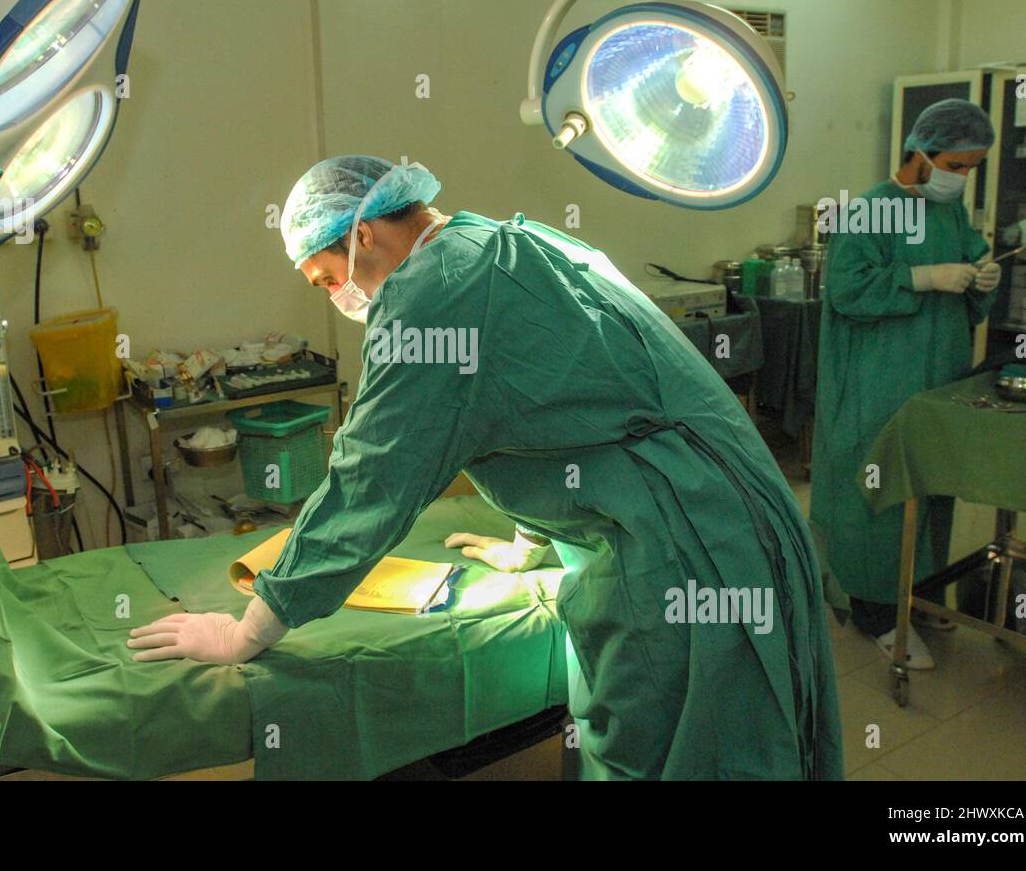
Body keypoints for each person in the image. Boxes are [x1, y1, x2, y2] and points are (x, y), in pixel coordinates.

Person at [129, 155, 844, 780]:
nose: (338, 298)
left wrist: (248, 629)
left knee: (671, 754)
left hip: (685, 550)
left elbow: (369, 479)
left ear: (365, 234)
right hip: (736, 509)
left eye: (326, 279)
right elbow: (567, 403)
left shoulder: (431, 296)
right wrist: (530, 537)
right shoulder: (504, 241)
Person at [811, 99, 1000, 670]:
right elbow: (847, 291)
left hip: (937, 375)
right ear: (921, 152)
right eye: (956, 165)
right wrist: (921, 277)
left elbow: (969, 266)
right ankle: (873, 611)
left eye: (971, 169)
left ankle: (920, 590)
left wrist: (981, 274)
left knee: (929, 484)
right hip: (876, 383)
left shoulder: (949, 212)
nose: (961, 178)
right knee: (879, 490)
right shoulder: (866, 212)